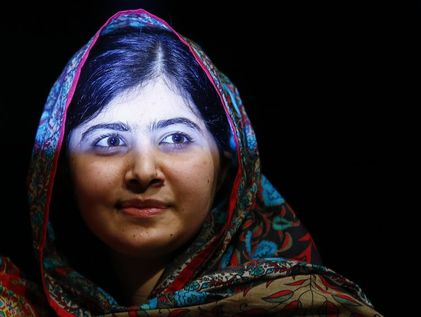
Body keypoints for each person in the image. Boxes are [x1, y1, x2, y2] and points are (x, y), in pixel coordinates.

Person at [0, 9, 382, 316]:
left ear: (227, 168)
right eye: (110, 141)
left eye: (177, 138)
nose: (144, 171)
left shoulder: (306, 309)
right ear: (59, 170)